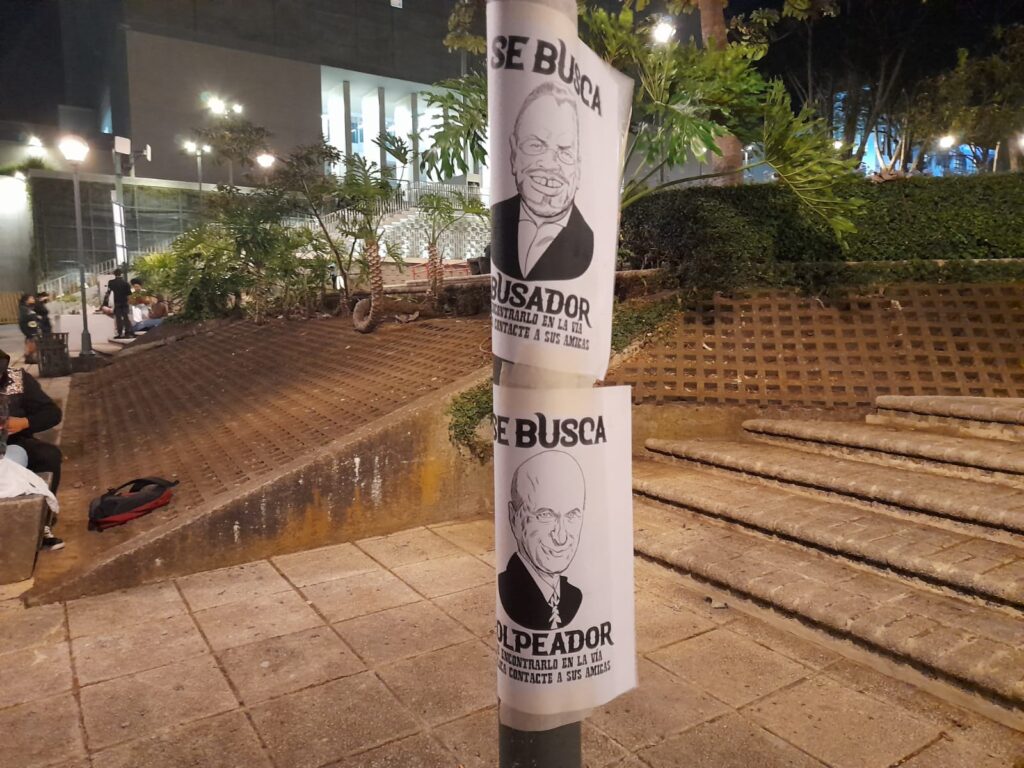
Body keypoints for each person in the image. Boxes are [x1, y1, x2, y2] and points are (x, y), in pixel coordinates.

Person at [491, 82, 594, 282]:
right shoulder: (500, 221)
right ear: (514, 153)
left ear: (578, 167)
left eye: (565, 152)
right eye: (535, 145)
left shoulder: (589, 240)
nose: (550, 164)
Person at [498, 450, 585, 630]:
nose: (561, 538)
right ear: (514, 519)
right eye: (545, 515)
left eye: (571, 515)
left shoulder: (573, 595)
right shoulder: (511, 593)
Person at [1, 348, 64, 550]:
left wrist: (24, 423)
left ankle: (41, 523)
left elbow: (52, 413)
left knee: (49, 455)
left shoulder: (18, 379)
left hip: (14, 442)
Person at [103, 268, 134, 339]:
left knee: (118, 318)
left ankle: (120, 333)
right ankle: (128, 332)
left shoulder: (111, 282)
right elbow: (129, 295)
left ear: (114, 274)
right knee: (126, 317)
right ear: (121, 274)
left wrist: (105, 302)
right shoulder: (126, 283)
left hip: (117, 302)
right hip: (125, 302)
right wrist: (130, 302)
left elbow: (108, 292)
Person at [17, 293, 40, 364]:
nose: (33, 299)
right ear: (26, 300)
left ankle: (29, 357)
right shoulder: (24, 309)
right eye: (31, 298)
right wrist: (27, 330)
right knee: (31, 342)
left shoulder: (28, 307)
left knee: (31, 342)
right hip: (29, 329)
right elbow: (23, 320)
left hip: (32, 328)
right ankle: (29, 357)